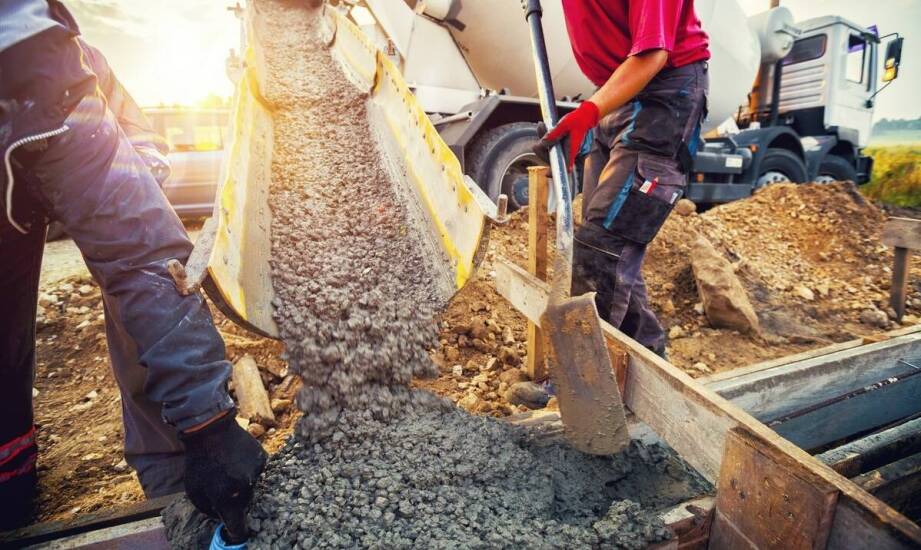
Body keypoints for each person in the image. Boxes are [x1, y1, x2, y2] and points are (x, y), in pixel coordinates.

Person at [0, 1, 266, 537]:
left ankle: (172, 478)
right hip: (43, 96)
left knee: (142, 289)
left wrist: (208, 425)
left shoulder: (65, 69)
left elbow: (144, 259)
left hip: (49, 101)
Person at [542, 0, 710, 358]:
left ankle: (581, 381)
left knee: (603, 245)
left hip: (664, 93)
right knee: (610, 251)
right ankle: (648, 365)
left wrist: (588, 111)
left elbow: (653, 55)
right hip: (616, 90)